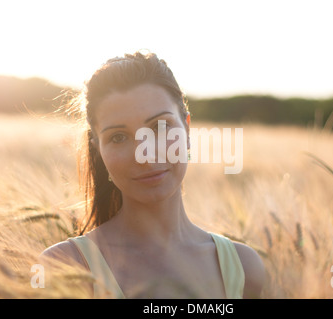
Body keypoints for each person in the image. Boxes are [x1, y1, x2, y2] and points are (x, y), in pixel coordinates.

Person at [41, 51, 266, 299]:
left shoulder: (244, 268)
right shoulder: (62, 266)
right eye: (118, 137)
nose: (145, 154)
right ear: (98, 150)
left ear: (187, 131)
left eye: (160, 127)